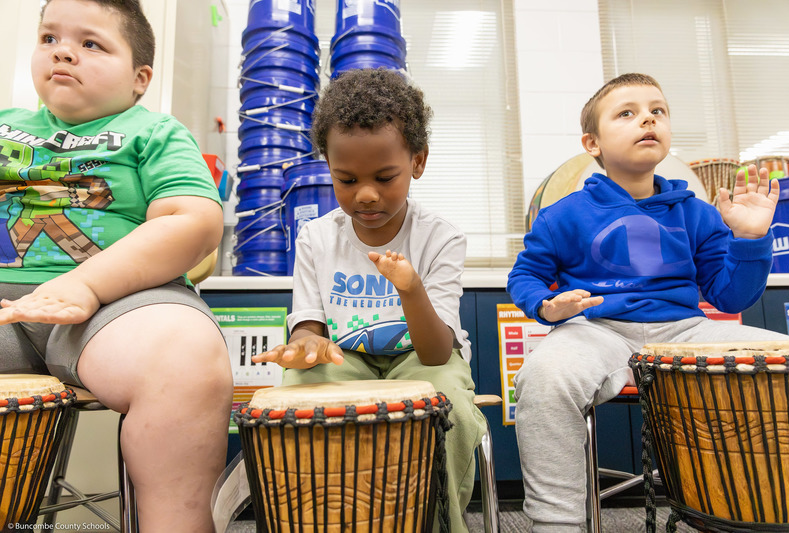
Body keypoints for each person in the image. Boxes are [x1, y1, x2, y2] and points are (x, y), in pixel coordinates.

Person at [507, 72, 789, 532]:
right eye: (627, 113)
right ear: (592, 143)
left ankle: (766, 510)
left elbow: (731, 294)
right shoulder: (562, 214)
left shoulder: (697, 212)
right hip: (594, 330)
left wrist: (751, 238)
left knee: (788, 360)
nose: (647, 119)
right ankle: (556, 523)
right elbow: (525, 275)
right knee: (543, 375)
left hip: (684, 330)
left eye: (657, 111)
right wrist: (546, 305)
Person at [0, 1, 233, 531]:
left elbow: (192, 222)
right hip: (6, 303)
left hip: (117, 304)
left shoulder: (154, 132)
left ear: (139, 78)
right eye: (49, 38)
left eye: (91, 44)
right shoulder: (4, 127)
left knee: (185, 359)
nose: (63, 50)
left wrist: (86, 282)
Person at [253, 68, 486, 532]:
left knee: (451, 409)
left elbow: (437, 352)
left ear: (417, 161)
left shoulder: (440, 237)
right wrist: (305, 344)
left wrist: (410, 288)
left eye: (384, 177)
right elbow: (309, 325)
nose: (365, 194)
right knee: (294, 396)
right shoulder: (317, 238)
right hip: (349, 358)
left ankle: (440, 522)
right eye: (346, 179)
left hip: (420, 358)